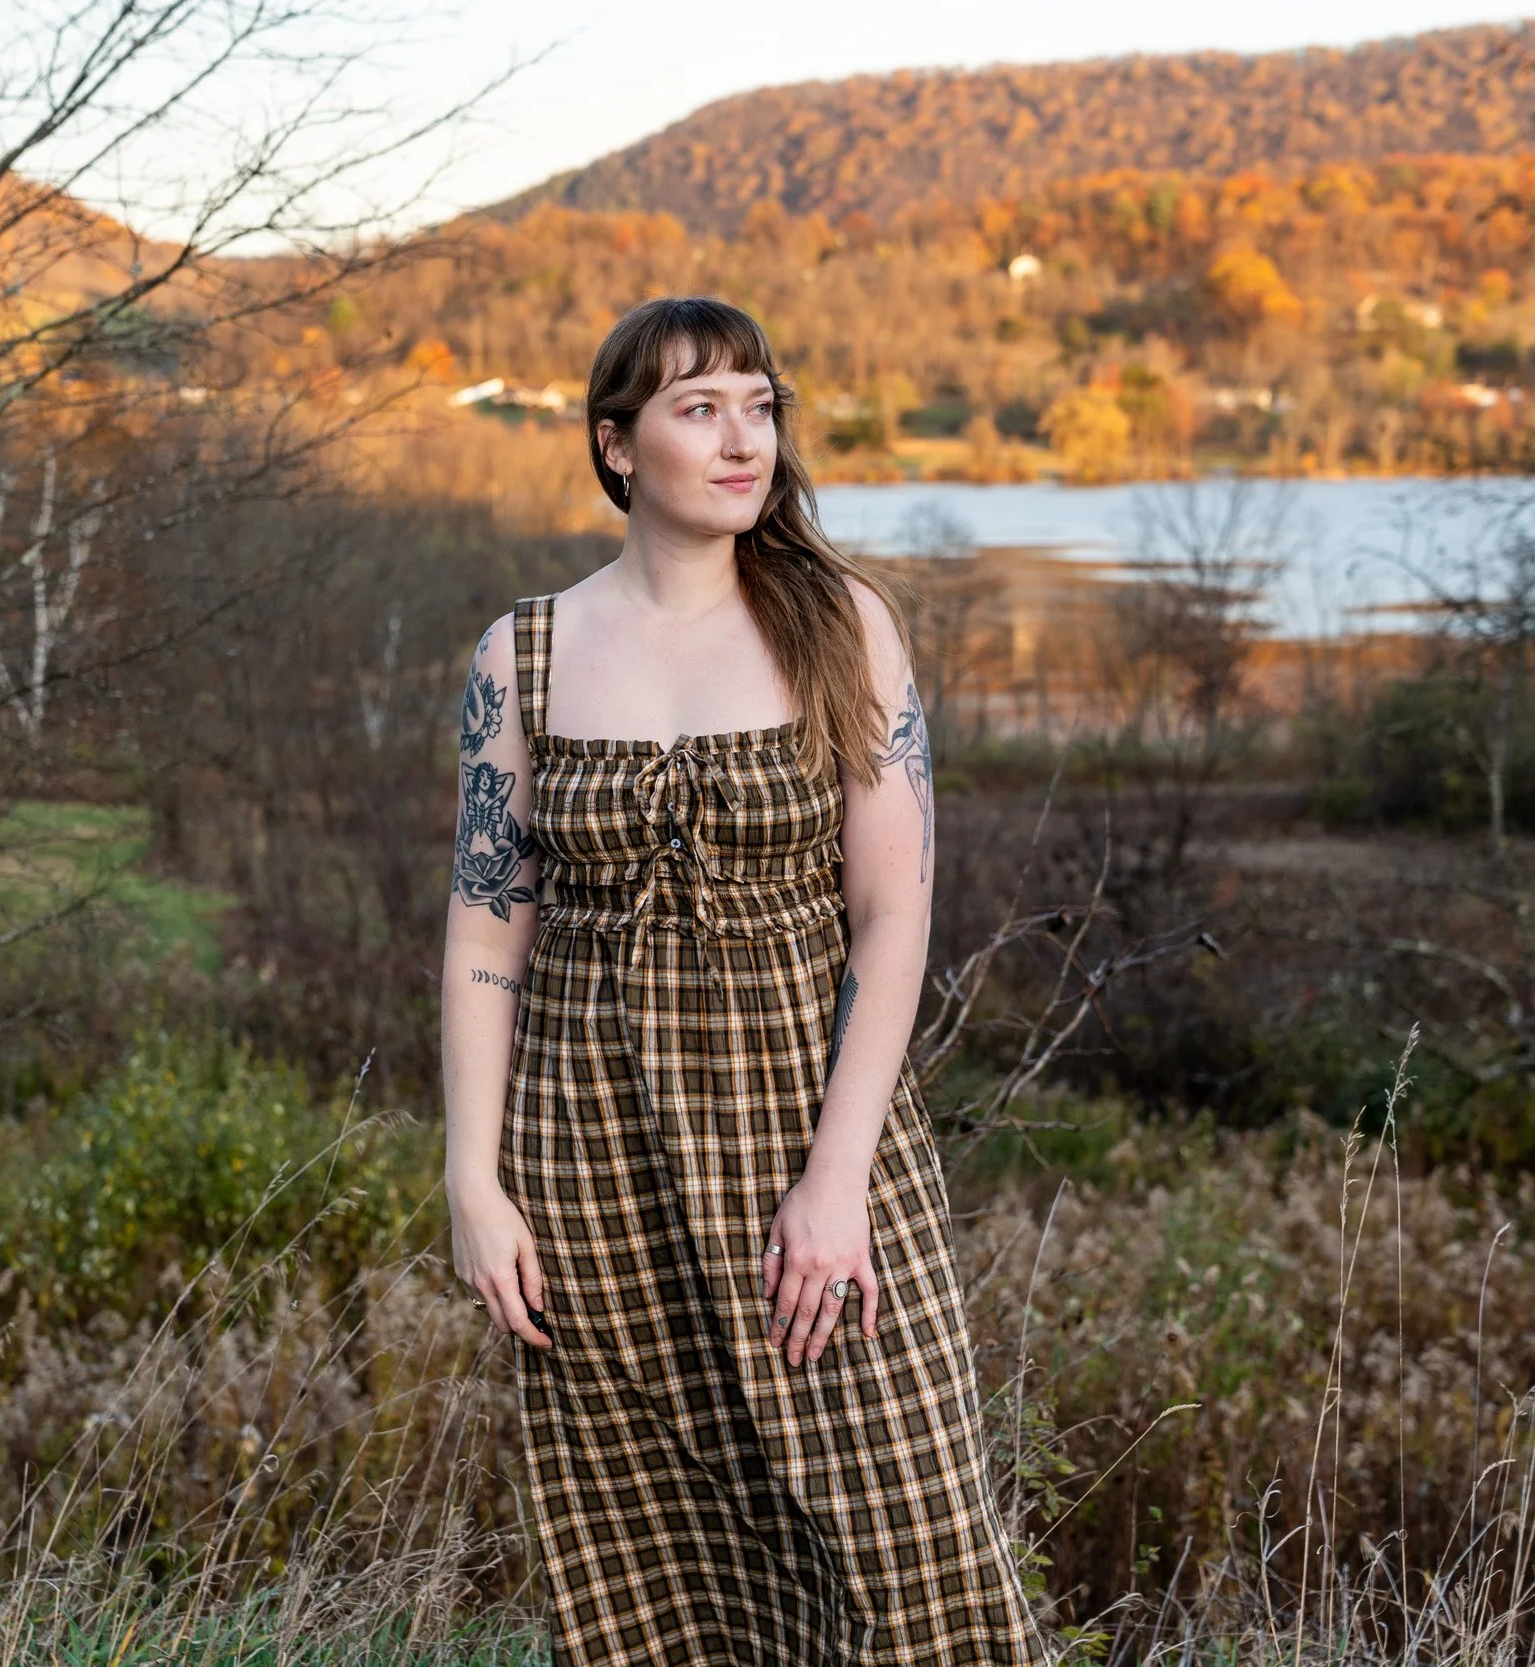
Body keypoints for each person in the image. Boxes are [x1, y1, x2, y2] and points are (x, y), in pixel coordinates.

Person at [439, 295, 1050, 1667]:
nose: (742, 440)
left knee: (916, 1541)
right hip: (592, 1158)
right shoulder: (523, 655)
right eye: (699, 408)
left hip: (805, 1137)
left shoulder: (843, 625)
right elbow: (485, 930)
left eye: (759, 407)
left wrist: (836, 1182)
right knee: (659, 1568)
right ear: (616, 446)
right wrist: (474, 1182)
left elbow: (893, 913)